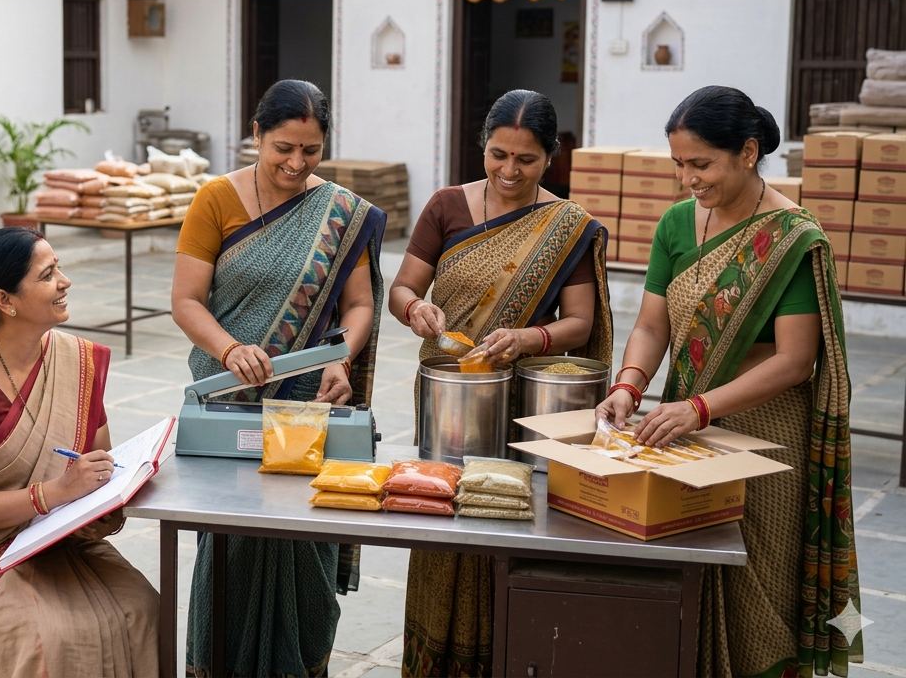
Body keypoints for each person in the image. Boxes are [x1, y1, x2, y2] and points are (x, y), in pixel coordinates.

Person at [595, 85, 861, 677]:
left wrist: (699, 407)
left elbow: (794, 361)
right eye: (679, 164)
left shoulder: (791, 237)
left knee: (756, 586)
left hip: (765, 438)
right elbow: (652, 325)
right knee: (689, 574)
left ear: (747, 152)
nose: (688, 179)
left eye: (701, 164)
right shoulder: (676, 224)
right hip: (684, 430)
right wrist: (629, 386)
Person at [388, 89, 613, 676]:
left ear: (551, 158)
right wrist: (416, 309)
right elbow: (402, 287)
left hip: (524, 403)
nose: (509, 171)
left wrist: (526, 338)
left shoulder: (566, 226)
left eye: (527, 159)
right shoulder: (446, 206)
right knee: (443, 511)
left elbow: (580, 323)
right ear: (482, 147)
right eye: (498, 155)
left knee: (515, 518)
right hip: (450, 394)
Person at [171, 79, 387, 677]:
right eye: (283, 148)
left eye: (310, 151)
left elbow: (360, 305)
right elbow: (186, 301)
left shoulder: (341, 214)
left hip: (306, 405)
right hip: (231, 400)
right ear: (257, 135)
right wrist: (229, 348)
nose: (296, 163)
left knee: (307, 547)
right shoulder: (216, 199)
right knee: (231, 548)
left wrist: (340, 358)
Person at [0, 227, 159, 677]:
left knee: (144, 611)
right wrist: (56, 492)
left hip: (56, 537)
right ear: (5, 301)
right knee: (46, 638)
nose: (65, 281)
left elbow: (98, 465)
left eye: (58, 268)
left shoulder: (76, 360)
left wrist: (107, 501)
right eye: (47, 275)